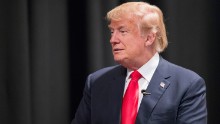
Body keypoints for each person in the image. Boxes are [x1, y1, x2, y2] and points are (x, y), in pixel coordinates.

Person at [71, 1, 207, 124]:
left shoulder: (187, 84)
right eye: (112, 31)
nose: (113, 39)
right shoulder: (97, 82)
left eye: (122, 31)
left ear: (149, 38)